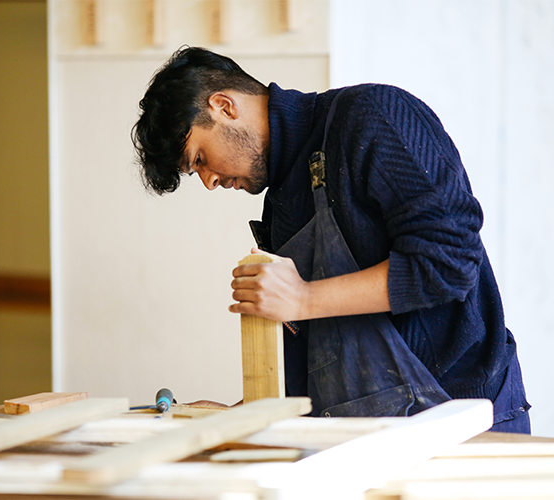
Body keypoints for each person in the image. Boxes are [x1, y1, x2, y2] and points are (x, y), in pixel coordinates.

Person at [132, 46, 531, 432]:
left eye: (199, 159)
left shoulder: (373, 117)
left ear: (224, 106)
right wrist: (238, 416)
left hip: (467, 424)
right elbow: (315, 370)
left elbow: (449, 263)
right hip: (369, 440)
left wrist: (304, 298)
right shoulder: (282, 206)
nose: (209, 182)